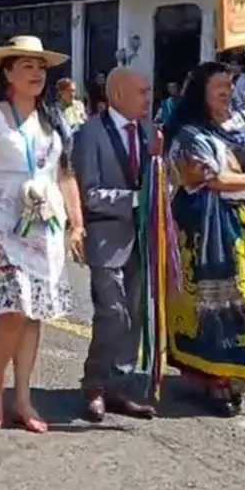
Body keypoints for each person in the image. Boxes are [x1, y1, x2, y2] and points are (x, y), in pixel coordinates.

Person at [0, 36, 83, 433]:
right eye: (27, 66)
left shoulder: (52, 119)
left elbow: (64, 173)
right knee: (14, 308)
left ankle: (24, 396)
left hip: (44, 227)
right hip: (4, 224)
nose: (36, 74)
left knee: (35, 314)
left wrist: (76, 222)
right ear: (7, 74)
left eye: (41, 67)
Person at [164, 60, 245, 416]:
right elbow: (214, 178)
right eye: (219, 85)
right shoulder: (190, 132)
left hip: (242, 223)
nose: (227, 91)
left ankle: (229, 372)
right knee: (209, 303)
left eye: (230, 85)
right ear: (202, 92)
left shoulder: (239, 124)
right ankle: (213, 378)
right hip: (203, 227)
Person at [70, 66, 158, 421]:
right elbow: (87, 192)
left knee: (134, 313)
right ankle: (94, 384)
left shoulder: (150, 131)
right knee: (112, 313)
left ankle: (120, 386)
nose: (148, 99)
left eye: (149, 91)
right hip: (106, 237)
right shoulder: (90, 133)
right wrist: (135, 199)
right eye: (142, 92)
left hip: (141, 238)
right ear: (118, 95)